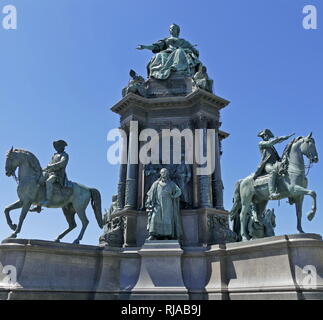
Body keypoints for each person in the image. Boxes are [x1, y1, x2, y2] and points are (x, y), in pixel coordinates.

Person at [30, 140, 69, 212]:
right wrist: (43, 170)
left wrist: (51, 166)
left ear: (62, 147)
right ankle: (38, 206)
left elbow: (62, 163)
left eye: (58, 146)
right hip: (49, 173)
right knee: (40, 180)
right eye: (56, 147)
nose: (56, 148)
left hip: (58, 175)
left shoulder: (64, 155)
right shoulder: (54, 155)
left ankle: (48, 200)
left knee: (48, 182)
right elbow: (49, 166)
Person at [253, 129, 294, 200]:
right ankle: (272, 193)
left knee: (286, 170)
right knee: (273, 171)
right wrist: (281, 138)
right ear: (262, 136)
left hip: (276, 163)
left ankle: (289, 194)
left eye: (268, 135)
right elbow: (270, 143)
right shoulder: (261, 143)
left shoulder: (272, 147)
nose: (267, 136)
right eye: (265, 135)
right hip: (267, 165)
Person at [145, 168, 183, 240]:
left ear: (167, 174)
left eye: (165, 172)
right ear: (160, 174)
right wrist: (148, 202)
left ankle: (167, 235)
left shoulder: (171, 184)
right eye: (162, 172)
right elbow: (150, 194)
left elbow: (179, 191)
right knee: (154, 217)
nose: (163, 174)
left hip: (168, 205)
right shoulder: (156, 184)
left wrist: (173, 196)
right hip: (157, 204)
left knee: (167, 219)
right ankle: (153, 235)